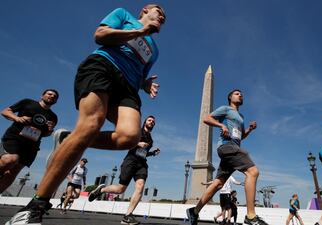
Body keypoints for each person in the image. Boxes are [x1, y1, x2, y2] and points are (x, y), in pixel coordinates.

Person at [6, 4, 166, 225]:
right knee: (92, 124)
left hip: (128, 87)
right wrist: (138, 32)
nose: (162, 17)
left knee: (130, 137)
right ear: (145, 11)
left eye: (164, 18)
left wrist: (145, 84)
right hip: (103, 67)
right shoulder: (124, 15)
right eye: (159, 12)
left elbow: (140, 74)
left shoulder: (154, 51)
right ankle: (36, 205)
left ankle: (68, 138)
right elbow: (101, 35)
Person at [186, 89, 269, 225]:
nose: (240, 95)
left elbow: (241, 136)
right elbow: (207, 118)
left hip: (233, 147)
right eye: (237, 93)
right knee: (253, 172)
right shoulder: (225, 109)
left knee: (218, 183)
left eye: (241, 94)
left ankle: (194, 211)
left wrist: (250, 129)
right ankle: (251, 216)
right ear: (230, 97)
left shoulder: (241, 116)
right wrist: (221, 125)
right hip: (227, 146)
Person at [88, 115, 160, 225]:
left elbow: (143, 153)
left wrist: (153, 153)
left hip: (142, 164)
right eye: (150, 120)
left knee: (140, 186)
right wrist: (137, 143)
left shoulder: (150, 139)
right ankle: (101, 190)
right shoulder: (137, 132)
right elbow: (126, 142)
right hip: (131, 161)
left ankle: (127, 216)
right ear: (145, 122)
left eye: (153, 122)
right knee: (120, 189)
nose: (152, 122)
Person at [0, 89, 58, 193]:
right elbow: (5, 111)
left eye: (54, 96)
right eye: (49, 94)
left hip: (32, 146)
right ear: (42, 96)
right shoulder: (28, 102)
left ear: (56, 101)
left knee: (13, 172)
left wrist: (50, 130)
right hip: (15, 138)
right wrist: (17, 118)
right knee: (10, 159)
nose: (52, 96)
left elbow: (45, 134)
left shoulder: (53, 117)